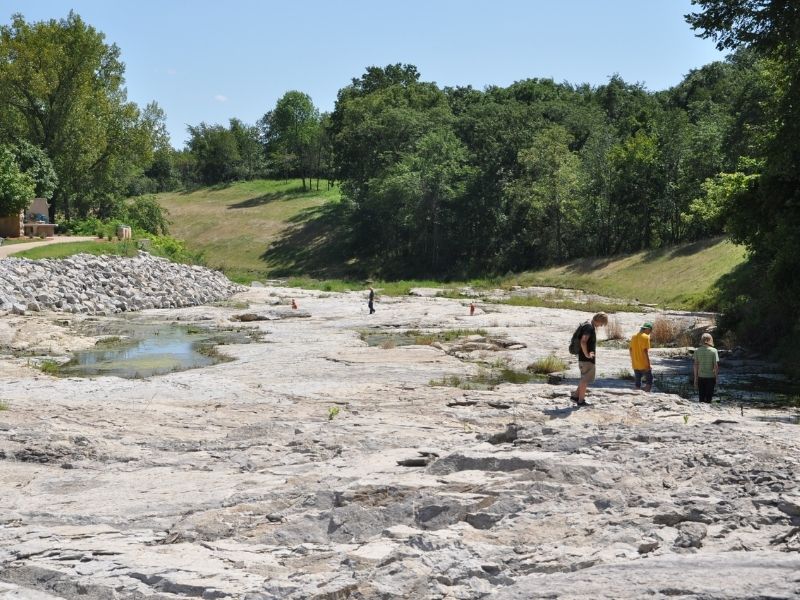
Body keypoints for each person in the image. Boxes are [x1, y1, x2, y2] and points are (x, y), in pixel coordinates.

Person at [571, 312, 609, 406]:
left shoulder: (587, 323)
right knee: (585, 380)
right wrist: (587, 355)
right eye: (601, 324)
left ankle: (576, 396)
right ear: (599, 320)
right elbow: (583, 342)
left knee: (584, 377)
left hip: (583, 358)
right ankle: (581, 401)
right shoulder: (589, 327)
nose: (601, 326)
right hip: (586, 359)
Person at [693, 332, 719, 403]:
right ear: (711, 340)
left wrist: (695, 378)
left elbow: (695, 365)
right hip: (711, 377)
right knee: (709, 398)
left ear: (701, 340)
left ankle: (701, 411)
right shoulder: (714, 351)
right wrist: (716, 378)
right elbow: (716, 366)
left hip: (701, 376)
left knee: (701, 397)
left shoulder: (697, 351)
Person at [629, 322, 654, 392]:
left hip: (635, 363)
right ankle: (647, 394)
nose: (651, 332)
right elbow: (645, 352)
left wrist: (633, 360)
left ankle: (637, 394)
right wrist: (648, 365)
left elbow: (630, 349)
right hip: (643, 364)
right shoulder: (646, 337)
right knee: (649, 380)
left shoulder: (633, 337)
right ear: (647, 329)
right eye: (650, 330)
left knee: (638, 382)